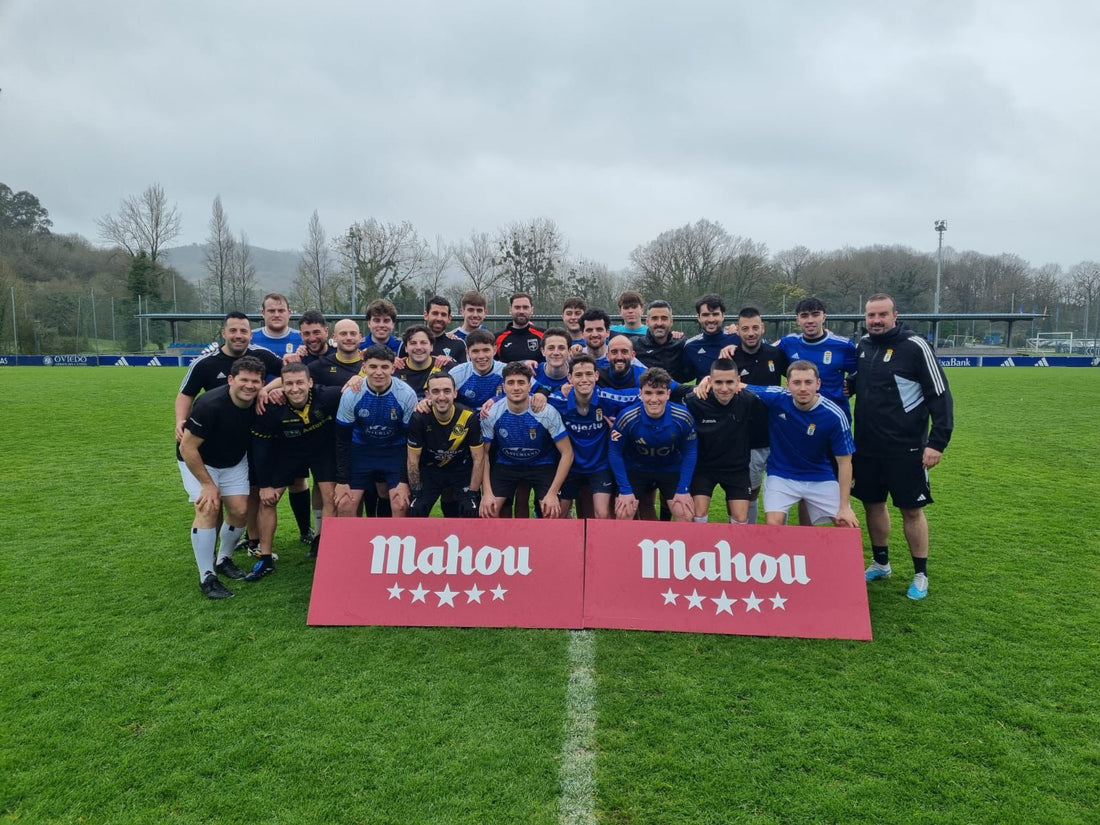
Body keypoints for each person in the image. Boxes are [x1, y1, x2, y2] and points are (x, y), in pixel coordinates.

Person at [852, 293, 953, 600]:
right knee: (872, 504)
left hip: (906, 448)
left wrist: (936, 443)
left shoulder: (915, 346)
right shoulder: (863, 346)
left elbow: (941, 396)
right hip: (867, 447)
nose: (876, 321)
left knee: (911, 509)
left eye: (882, 314)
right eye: (871, 316)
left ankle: (920, 573)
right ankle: (881, 562)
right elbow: (863, 383)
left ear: (895, 315)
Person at [177, 356, 266, 599]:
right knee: (208, 508)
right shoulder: (210, 404)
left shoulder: (258, 399)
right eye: (243, 380)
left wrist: (269, 389)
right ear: (230, 380)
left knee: (239, 511)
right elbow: (187, 448)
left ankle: (224, 559)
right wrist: (207, 484)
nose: (249, 386)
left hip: (233, 460)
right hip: (198, 460)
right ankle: (207, 576)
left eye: (255, 381)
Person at [746, 361, 858, 529]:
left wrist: (844, 507)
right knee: (773, 524)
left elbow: (844, 463)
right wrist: (707, 381)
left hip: (819, 475)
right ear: (788, 384)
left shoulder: (834, 415)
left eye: (808, 382)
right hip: (781, 475)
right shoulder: (778, 398)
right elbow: (740, 386)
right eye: (797, 383)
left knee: (847, 524)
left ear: (818, 384)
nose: (803, 388)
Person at [251, 363, 341, 566]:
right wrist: (265, 485)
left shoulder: (328, 396)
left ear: (310, 382)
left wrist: (357, 379)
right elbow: (261, 449)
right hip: (288, 453)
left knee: (330, 497)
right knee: (268, 499)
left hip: (322, 452)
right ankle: (265, 558)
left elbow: (362, 387)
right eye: (288, 384)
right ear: (281, 386)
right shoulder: (271, 408)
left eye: (300, 382)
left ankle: (326, 549)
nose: (295, 388)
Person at [479, 362, 573, 519]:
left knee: (552, 512)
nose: (516, 388)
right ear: (503, 386)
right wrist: (487, 493)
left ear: (530, 386)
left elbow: (567, 453)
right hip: (506, 465)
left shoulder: (546, 412)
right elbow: (483, 454)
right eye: (511, 383)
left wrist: (552, 493)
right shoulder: (492, 413)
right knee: (489, 510)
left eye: (521, 382)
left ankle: (543, 543)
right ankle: (505, 543)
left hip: (541, 464)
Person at [334, 345, 418, 518]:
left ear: (393, 368)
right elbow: (342, 439)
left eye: (384, 367)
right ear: (364, 367)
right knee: (344, 503)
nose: (378, 372)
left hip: (394, 452)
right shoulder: (351, 393)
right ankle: (353, 545)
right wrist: (342, 481)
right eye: (373, 367)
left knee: (400, 503)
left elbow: (410, 439)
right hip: (361, 451)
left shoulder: (406, 394)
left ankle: (396, 544)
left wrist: (403, 480)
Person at [175, 311, 283, 442]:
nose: (238, 336)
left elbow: (287, 376)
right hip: (218, 430)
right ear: (223, 333)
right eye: (233, 330)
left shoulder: (262, 355)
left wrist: (264, 389)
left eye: (243, 331)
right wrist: (181, 420)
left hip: (252, 432)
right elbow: (186, 394)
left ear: (250, 335)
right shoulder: (205, 363)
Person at [608, 367, 697, 522]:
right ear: (640, 394)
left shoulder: (683, 416)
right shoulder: (627, 417)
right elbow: (614, 452)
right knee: (624, 512)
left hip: (669, 469)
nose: (654, 399)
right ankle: (625, 546)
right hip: (636, 469)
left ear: (668, 394)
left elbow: (690, 451)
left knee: (685, 513)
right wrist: (625, 490)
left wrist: (683, 489)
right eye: (648, 393)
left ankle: (671, 545)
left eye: (660, 393)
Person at [684, 358, 766, 524]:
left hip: (737, 469)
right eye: (718, 382)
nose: (724, 388)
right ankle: (699, 547)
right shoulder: (695, 401)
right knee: (698, 515)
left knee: (741, 519)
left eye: (729, 382)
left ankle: (736, 548)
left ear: (738, 382)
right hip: (704, 468)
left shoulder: (750, 401)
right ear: (710, 381)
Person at [406, 372, 486, 518]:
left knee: (471, 510)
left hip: (461, 470)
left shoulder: (469, 417)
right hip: (431, 470)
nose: (441, 397)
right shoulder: (419, 417)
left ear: (455, 393)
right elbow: (413, 460)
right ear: (427, 395)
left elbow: (478, 458)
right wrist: (416, 493)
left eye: (447, 391)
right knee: (415, 510)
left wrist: (473, 494)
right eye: (435, 391)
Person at [547, 354, 614, 519]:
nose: (584, 379)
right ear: (569, 378)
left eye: (589, 374)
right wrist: (495, 399)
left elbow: (641, 396)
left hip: (600, 467)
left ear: (596, 376)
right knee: (556, 515)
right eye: (578, 375)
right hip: (569, 467)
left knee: (602, 514)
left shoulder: (608, 398)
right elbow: (526, 397)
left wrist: (620, 422)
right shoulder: (557, 400)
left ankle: (599, 545)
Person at [776, 297, 857, 418]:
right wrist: (735, 342)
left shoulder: (843, 345)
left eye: (815, 315)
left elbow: (863, 371)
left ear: (824, 317)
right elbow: (763, 350)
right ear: (797, 319)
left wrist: (852, 383)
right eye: (804, 316)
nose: (810, 320)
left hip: (834, 416)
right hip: (800, 416)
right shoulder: (788, 343)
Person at [633, 300, 694, 384]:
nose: (659, 323)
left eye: (664, 318)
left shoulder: (681, 344)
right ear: (647, 322)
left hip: (675, 395)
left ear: (671, 321)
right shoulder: (635, 345)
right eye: (654, 318)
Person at [684, 293, 740, 380]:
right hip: (704, 393)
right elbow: (684, 377)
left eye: (715, 314)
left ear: (723, 315)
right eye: (706, 315)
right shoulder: (690, 346)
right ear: (698, 317)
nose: (711, 319)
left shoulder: (738, 338)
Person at [448, 329, 507, 408]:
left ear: (494, 350)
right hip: (466, 419)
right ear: (468, 352)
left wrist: (496, 399)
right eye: (475, 351)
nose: (481, 356)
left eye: (486, 350)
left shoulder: (507, 372)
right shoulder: (456, 374)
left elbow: (526, 394)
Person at [308, 318, 365, 386]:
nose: (349, 338)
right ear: (334, 338)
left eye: (353, 334)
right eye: (343, 334)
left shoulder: (372, 364)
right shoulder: (319, 366)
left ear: (360, 337)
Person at [416, 295, 467, 365]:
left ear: (449, 318)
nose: (439, 318)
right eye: (435, 313)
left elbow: (464, 373)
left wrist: (451, 361)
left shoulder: (458, 344)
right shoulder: (411, 343)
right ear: (426, 315)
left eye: (443, 315)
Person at [496, 292, 544, 363]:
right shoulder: (497, 338)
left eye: (525, 307)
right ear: (510, 310)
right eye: (517, 307)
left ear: (532, 310)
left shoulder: (543, 335)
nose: (521, 311)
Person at [395, 324, 442, 397]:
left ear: (431, 346)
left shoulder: (445, 367)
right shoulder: (395, 370)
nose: (418, 347)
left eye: (423, 343)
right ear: (406, 348)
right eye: (413, 343)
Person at [532, 327, 573, 394]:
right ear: (543, 351)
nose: (556, 353)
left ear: (569, 351)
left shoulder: (577, 374)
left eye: (561, 348)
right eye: (551, 348)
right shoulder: (533, 372)